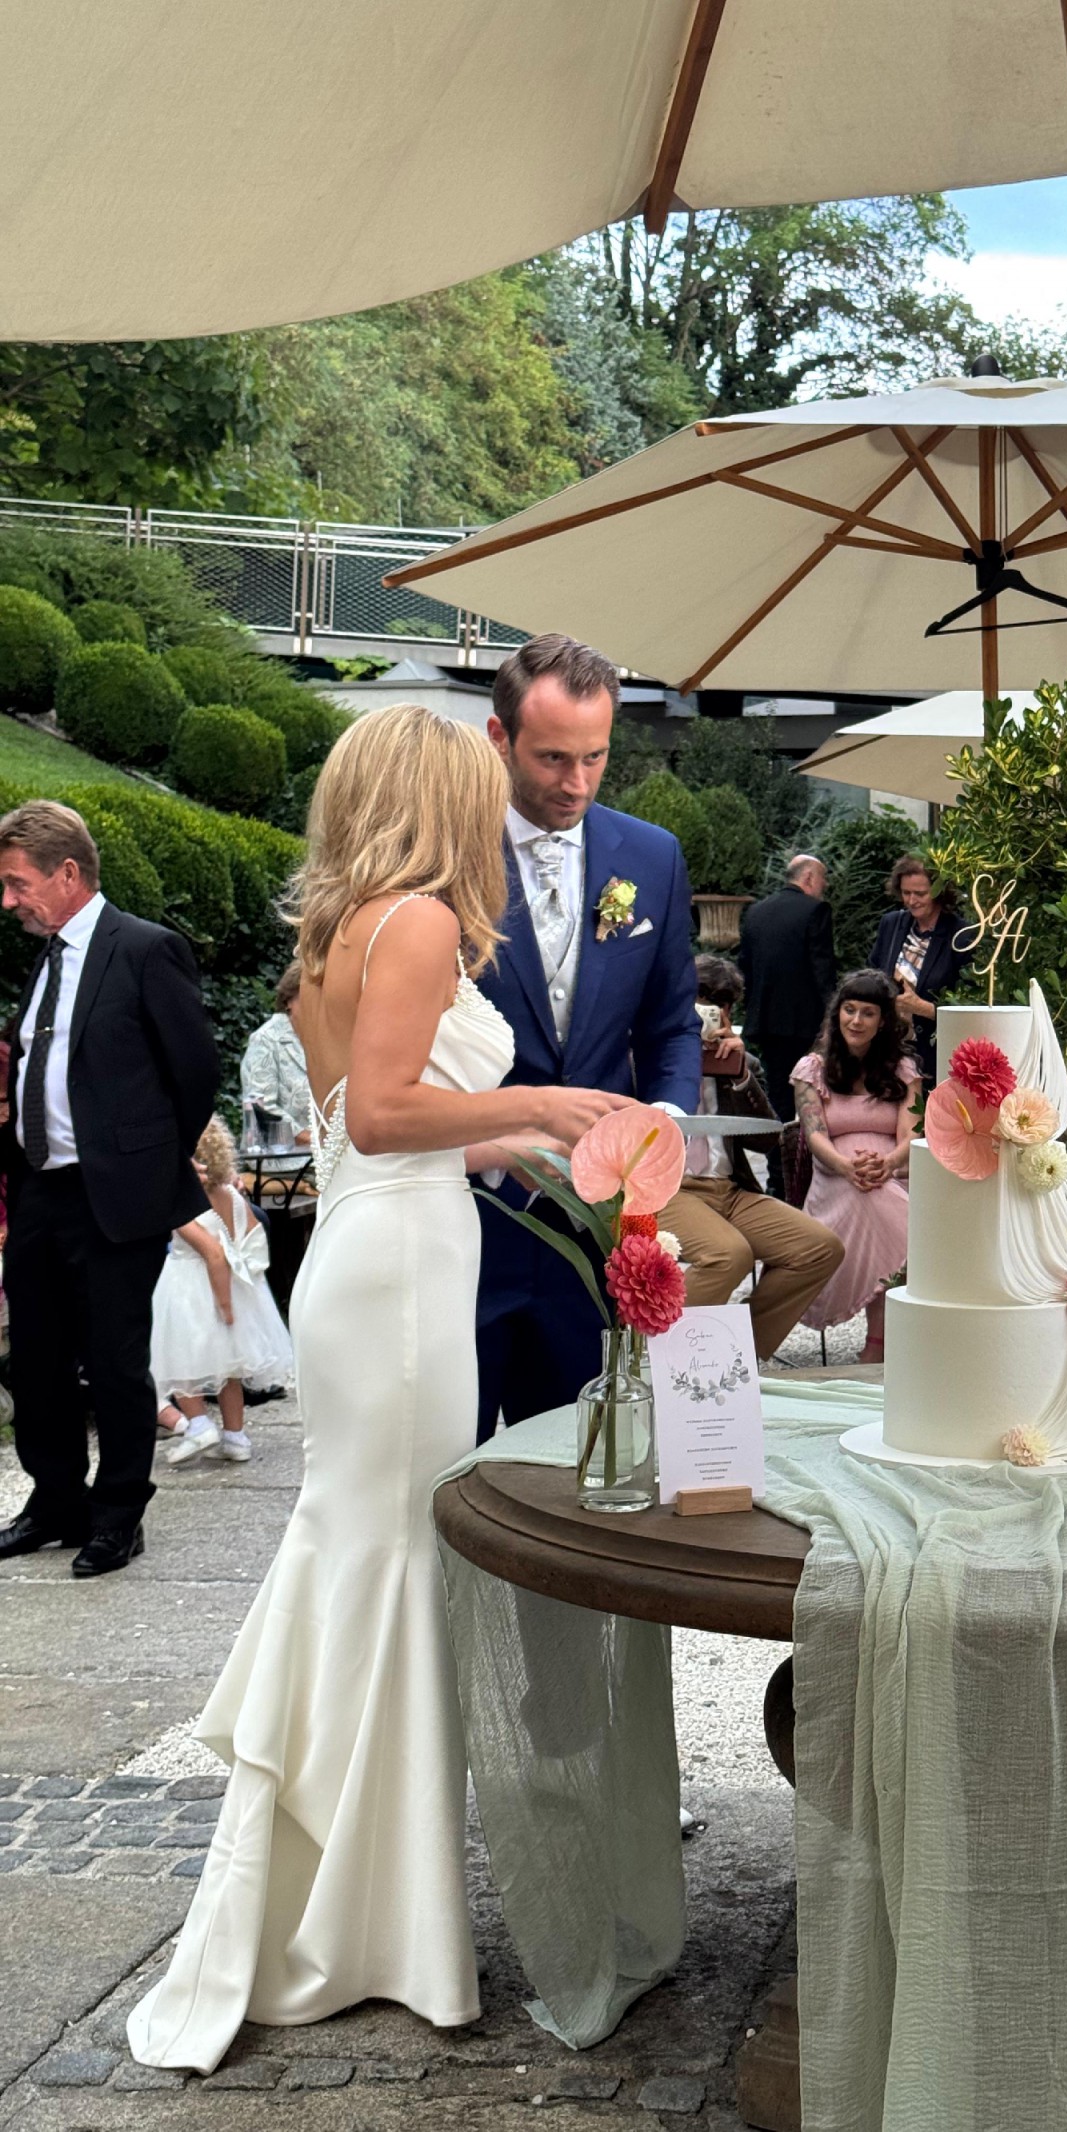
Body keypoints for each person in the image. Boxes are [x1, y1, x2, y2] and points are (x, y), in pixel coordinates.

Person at [126, 703, 628, 2071]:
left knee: (368, 1555)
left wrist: (525, 1151)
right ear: (436, 797)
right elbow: (392, 1112)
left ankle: (348, 1901)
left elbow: (375, 1132)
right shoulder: (413, 922)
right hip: (398, 1275)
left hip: (377, 1248)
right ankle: (375, 1921)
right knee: (396, 1561)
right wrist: (539, 1106)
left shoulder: (338, 933)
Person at [474, 633, 703, 1443]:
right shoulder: (447, 852)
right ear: (500, 737)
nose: (576, 783)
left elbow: (672, 1025)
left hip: (599, 1225)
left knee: (583, 1461)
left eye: (594, 758)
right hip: (468, 1217)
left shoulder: (653, 856)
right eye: (552, 758)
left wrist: (664, 1125)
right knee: (454, 1464)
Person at [0, 800, 217, 1578]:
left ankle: (119, 1514)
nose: (8, 901)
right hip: (39, 1191)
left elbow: (195, 1074)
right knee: (35, 1359)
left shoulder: (146, 949)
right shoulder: (47, 959)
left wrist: (145, 1166)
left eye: (17, 883)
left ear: (67, 873)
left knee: (114, 1361)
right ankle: (56, 1502)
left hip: (115, 1197)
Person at [659, 955, 844, 1358]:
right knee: (728, 1255)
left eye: (720, 1005)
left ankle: (735, 1354)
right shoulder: (651, 1056)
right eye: (701, 1001)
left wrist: (739, 1074)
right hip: (668, 1191)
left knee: (820, 1248)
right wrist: (681, 1055)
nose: (710, 1013)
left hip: (729, 1190)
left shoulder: (740, 1063)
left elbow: (765, 1141)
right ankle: (666, 1358)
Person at [792, 969, 919, 1364]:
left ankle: (878, 1341)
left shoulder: (903, 1070)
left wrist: (888, 1164)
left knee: (882, 1199)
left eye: (868, 1013)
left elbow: (911, 1136)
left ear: (883, 1021)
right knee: (887, 1209)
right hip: (835, 1179)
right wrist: (847, 1167)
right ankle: (880, 1343)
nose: (856, 1021)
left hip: (893, 1175)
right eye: (849, 1010)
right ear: (838, 1013)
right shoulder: (812, 1069)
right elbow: (815, 1136)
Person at [153, 1115, 294, 1467]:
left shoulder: (183, 1203)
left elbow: (213, 1254)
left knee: (182, 1362)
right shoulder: (232, 1195)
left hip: (193, 1292)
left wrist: (225, 1305)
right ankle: (236, 1437)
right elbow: (253, 1236)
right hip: (233, 1286)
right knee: (228, 1369)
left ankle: (199, 1424)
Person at [738, 853, 837, 1124]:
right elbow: (822, 970)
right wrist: (832, 1015)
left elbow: (745, 967)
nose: (825, 885)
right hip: (805, 1022)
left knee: (777, 1093)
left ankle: (777, 1148)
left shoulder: (756, 911)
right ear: (809, 877)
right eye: (823, 878)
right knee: (812, 1090)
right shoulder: (816, 910)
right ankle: (803, 1147)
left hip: (766, 1020)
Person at [868, 855, 970, 1085]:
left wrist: (923, 1008)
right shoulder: (891, 924)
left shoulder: (961, 935)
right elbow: (872, 974)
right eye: (906, 893)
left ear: (939, 892)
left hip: (934, 1056)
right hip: (887, 1051)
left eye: (920, 894)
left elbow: (971, 1008)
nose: (912, 900)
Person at [239, 963, 312, 1146]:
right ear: (289, 1000)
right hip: (281, 1156)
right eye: (311, 993)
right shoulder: (266, 1040)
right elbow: (261, 1109)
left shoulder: (328, 1038)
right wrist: (313, 1141)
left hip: (329, 1155)